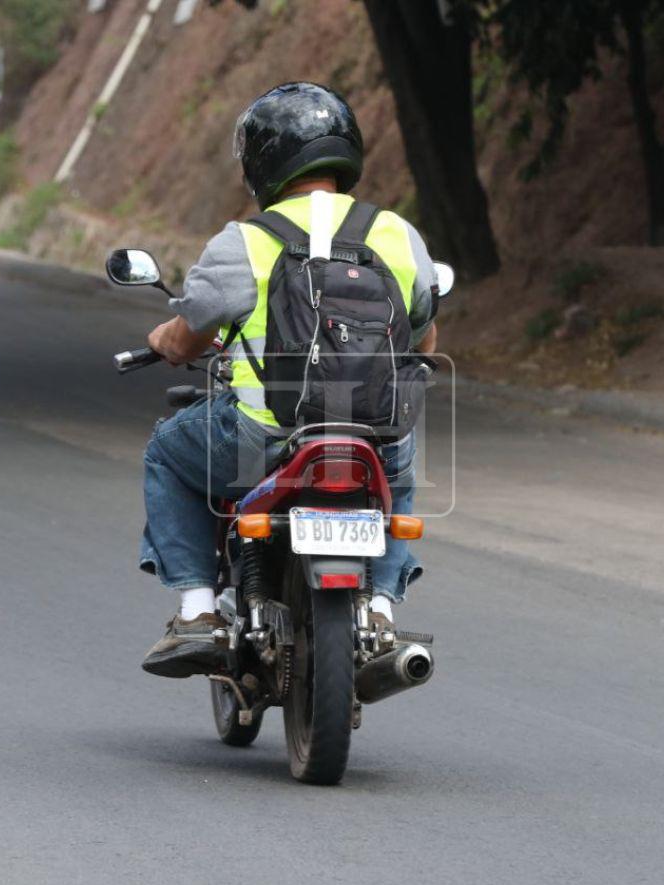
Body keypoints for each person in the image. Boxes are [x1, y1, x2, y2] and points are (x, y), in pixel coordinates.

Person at [139, 82, 439, 678]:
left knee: (167, 453)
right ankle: (379, 609)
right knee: (402, 460)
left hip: (261, 439)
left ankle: (198, 611)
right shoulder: (396, 234)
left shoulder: (245, 241)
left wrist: (163, 342)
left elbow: (187, 335)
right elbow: (424, 339)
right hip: (369, 442)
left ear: (263, 163)